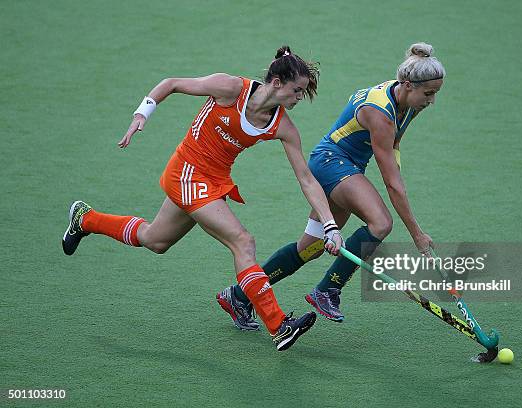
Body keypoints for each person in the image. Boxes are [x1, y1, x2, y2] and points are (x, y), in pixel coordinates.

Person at [61, 46, 344, 351]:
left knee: (156, 240)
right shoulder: (230, 88)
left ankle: (84, 219)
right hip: (186, 171)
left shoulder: (282, 126)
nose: (299, 98)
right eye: (297, 90)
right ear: (277, 83)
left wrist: (330, 225)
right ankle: (278, 326)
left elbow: (306, 178)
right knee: (243, 242)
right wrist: (142, 113)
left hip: (214, 181)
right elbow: (172, 83)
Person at [217, 42, 445, 325]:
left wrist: (396, 172)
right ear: (408, 85)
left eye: (435, 94)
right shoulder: (381, 112)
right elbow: (392, 184)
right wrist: (417, 235)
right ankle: (328, 289)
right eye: (428, 94)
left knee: (309, 248)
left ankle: (239, 296)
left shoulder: (408, 101)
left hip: (346, 166)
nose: (431, 101)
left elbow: (394, 145)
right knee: (381, 223)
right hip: (331, 163)